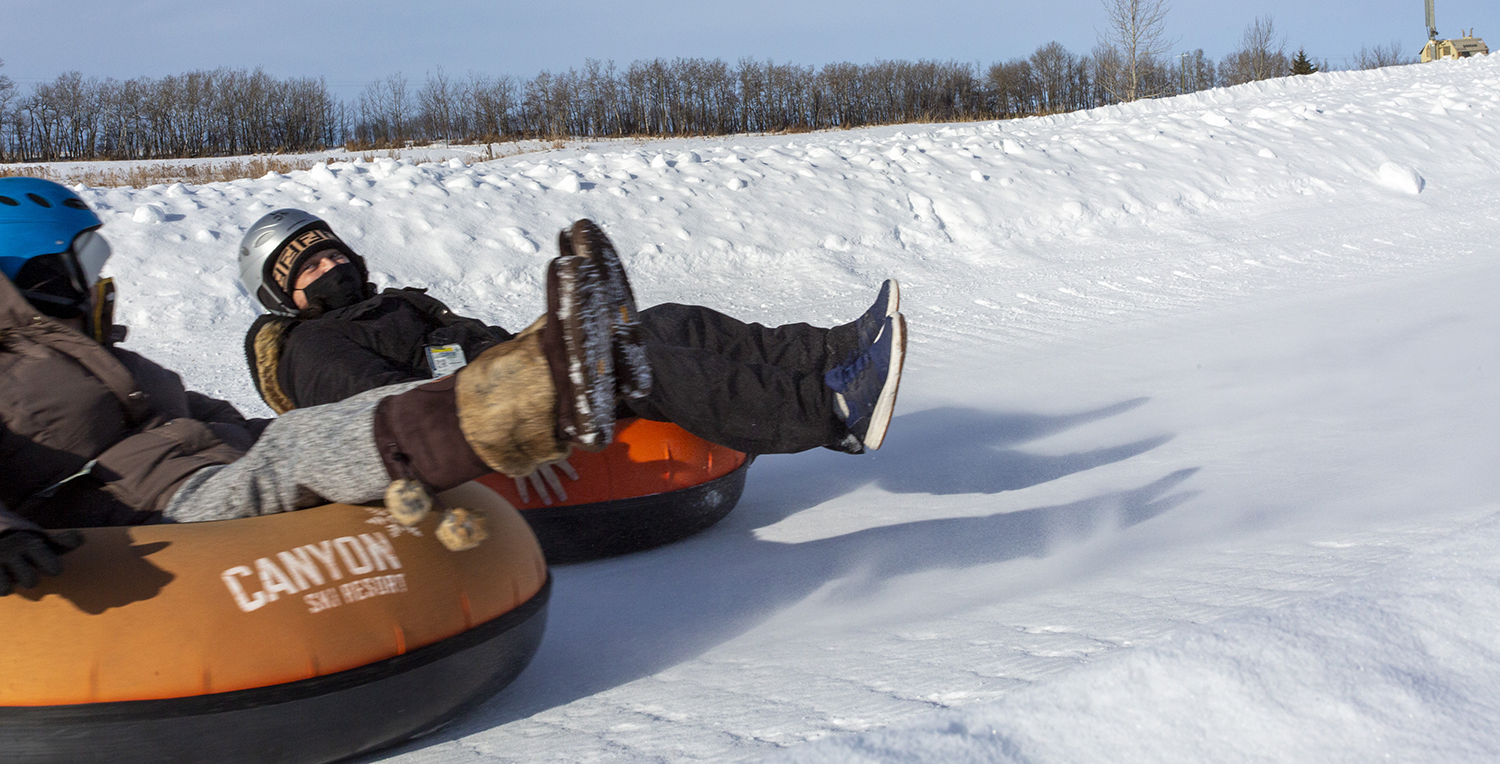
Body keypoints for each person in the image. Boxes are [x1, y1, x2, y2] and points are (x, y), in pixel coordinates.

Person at [0, 178, 627, 595]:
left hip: (220, 481)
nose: (100, 283)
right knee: (302, 446)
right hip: (153, 524)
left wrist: (347, 445)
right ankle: (540, 390)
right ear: (33, 271)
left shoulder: (107, 359)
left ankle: (557, 356)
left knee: (322, 430)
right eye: (85, 265)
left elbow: (228, 421)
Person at [239, 210, 908, 490]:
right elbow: (378, 418)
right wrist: (502, 439)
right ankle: (833, 409)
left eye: (329, 251)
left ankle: (832, 351)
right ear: (282, 297)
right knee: (629, 363)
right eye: (304, 269)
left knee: (664, 323)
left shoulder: (397, 305)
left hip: (509, 381)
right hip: (485, 425)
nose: (326, 268)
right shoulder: (311, 347)